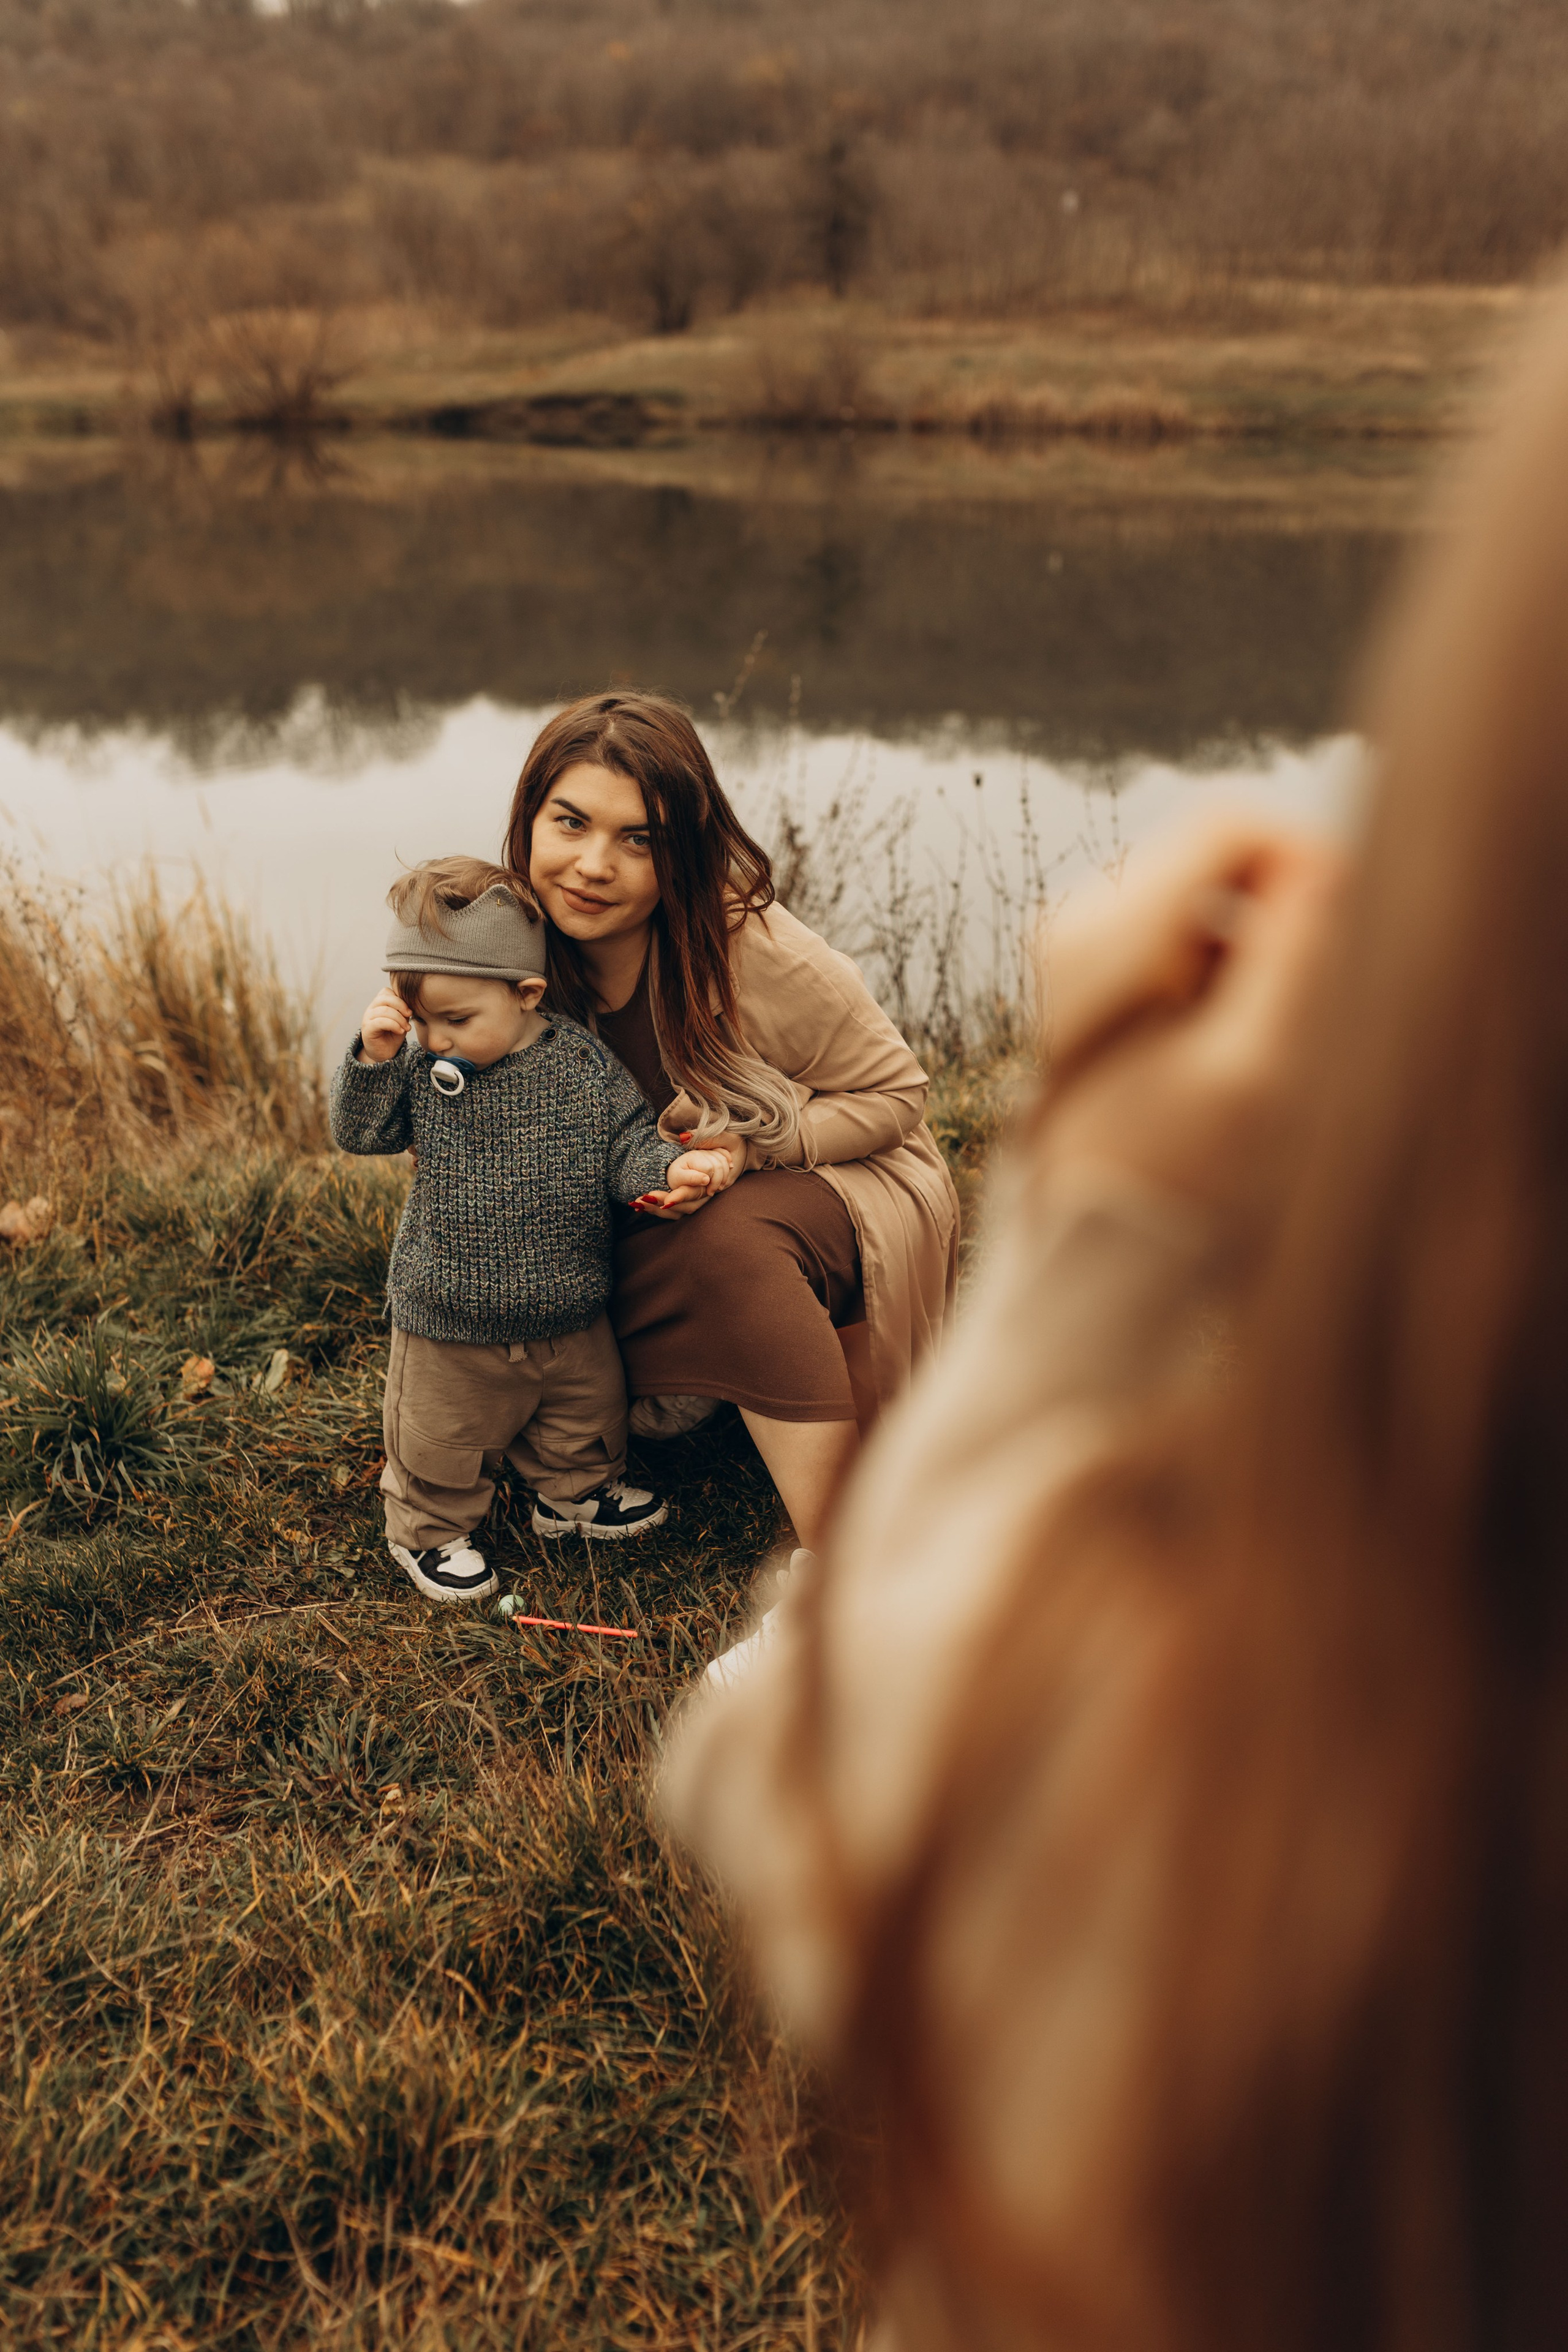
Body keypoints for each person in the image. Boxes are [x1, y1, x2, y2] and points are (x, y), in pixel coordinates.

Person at [660, 292, 1568, 2346]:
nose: (589, 855)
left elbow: (786, 1774)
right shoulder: (525, 951)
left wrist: (1115, 1214)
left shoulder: (1267, 1808)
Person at [503, 692, 960, 1555]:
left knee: (728, 1243)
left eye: (639, 840)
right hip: (651, 1211)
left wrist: (759, 1146)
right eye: (571, 823)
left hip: (846, 1177)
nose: (594, 864)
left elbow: (899, 1098)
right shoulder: (503, 950)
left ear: (683, 854)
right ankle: (738, 1382)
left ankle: (839, 1566)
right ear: (530, 817)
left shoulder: (750, 945)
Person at [330, 856, 728, 1604]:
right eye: (420, 1022)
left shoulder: (578, 1063)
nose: (436, 1038)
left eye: (455, 1019)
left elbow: (625, 1141)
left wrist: (665, 1172)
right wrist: (377, 1058)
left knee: (584, 1412)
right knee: (439, 1437)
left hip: (567, 1303)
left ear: (526, 994)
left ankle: (573, 1495)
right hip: (447, 1312)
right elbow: (361, 1133)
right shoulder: (418, 1069)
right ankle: (429, 1530)